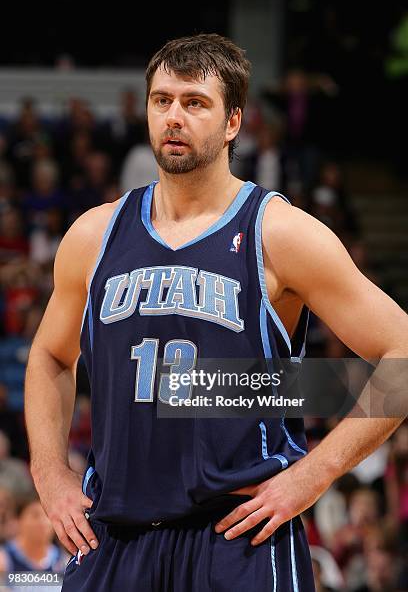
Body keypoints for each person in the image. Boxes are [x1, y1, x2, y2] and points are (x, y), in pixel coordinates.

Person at [24, 34, 408, 591]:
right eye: (162, 101)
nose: (173, 116)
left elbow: (400, 353)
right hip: (113, 533)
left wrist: (314, 474)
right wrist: (49, 472)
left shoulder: (279, 233)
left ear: (233, 122)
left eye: (194, 102)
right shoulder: (94, 234)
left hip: (236, 538)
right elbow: (50, 355)